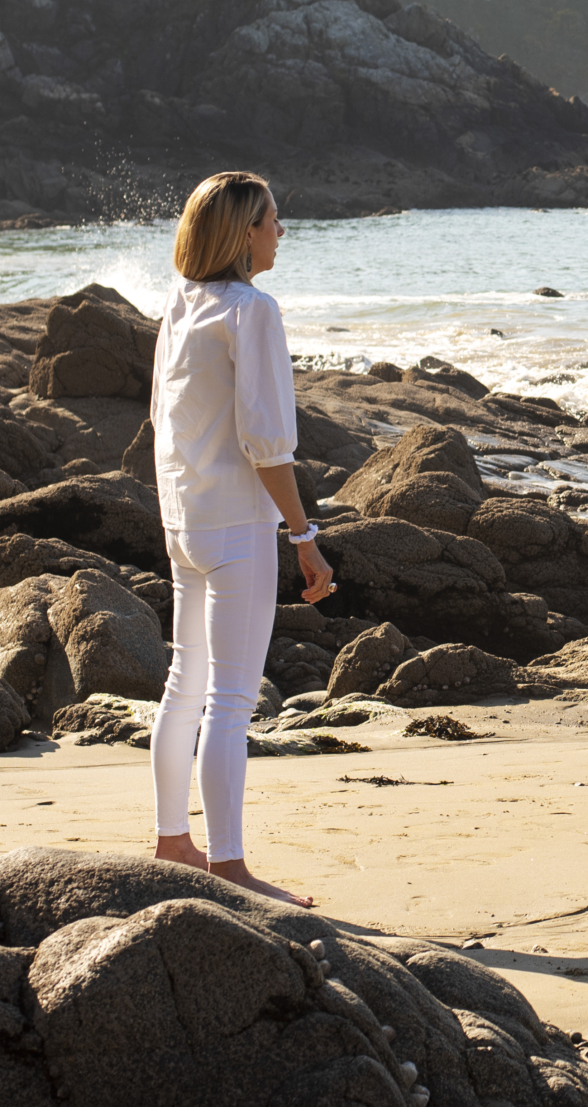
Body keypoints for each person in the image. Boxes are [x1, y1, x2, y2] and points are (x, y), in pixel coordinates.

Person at [149, 171, 335, 908]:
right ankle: (228, 864)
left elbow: (162, 418)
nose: (281, 231)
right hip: (235, 526)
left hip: (184, 520)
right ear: (242, 234)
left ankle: (174, 841)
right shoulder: (250, 310)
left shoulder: (180, 302)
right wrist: (305, 535)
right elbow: (267, 441)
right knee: (229, 699)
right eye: (271, 219)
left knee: (183, 682)